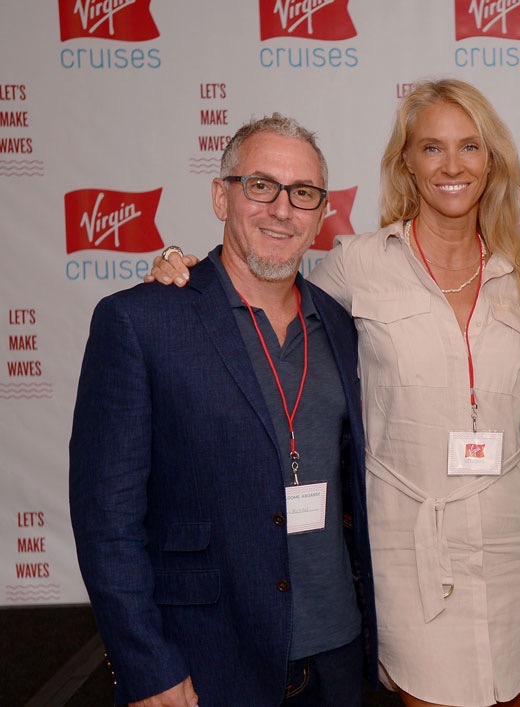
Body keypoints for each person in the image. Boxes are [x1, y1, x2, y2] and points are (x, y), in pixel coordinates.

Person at [147, 80, 520, 707]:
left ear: (491, 160)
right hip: (410, 554)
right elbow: (260, 288)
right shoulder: (356, 264)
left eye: (469, 146)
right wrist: (179, 267)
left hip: (511, 546)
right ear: (406, 163)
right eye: (431, 147)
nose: (451, 165)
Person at [69, 113, 375, 706]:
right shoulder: (143, 320)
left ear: (320, 214)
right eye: (261, 186)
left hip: (337, 654)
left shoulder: (339, 325)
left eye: (304, 193)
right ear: (221, 195)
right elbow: (106, 521)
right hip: (207, 660)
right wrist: (146, 664)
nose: (282, 209)